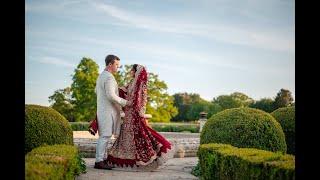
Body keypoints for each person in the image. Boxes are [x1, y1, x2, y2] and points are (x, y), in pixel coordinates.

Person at [105, 64, 172, 171]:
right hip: (128, 113)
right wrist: (111, 89)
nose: (130, 72)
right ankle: (122, 160)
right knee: (126, 136)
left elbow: (143, 98)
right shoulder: (131, 83)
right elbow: (122, 92)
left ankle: (150, 155)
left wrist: (140, 110)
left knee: (140, 135)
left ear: (136, 71)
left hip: (135, 113)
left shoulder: (141, 84)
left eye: (131, 70)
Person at [94, 54, 129, 169]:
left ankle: (102, 159)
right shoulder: (108, 77)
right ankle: (99, 161)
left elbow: (97, 92)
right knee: (105, 136)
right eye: (117, 65)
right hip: (107, 111)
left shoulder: (101, 76)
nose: (117, 68)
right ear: (110, 64)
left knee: (105, 135)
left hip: (103, 110)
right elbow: (110, 95)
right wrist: (125, 102)